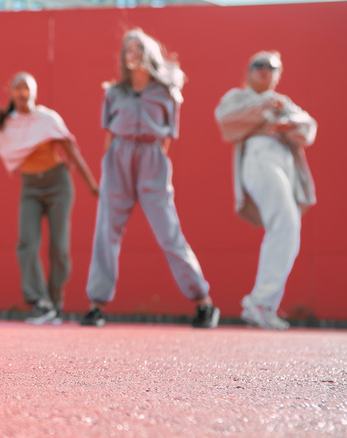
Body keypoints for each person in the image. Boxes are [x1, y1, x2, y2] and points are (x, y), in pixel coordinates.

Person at [80, 28, 219, 328]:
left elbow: (168, 137)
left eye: (139, 48)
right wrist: (109, 167)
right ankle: (96, 305)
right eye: (128, 49)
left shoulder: (167, 92)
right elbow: (109, 134)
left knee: (169, 231)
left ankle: (203, 301)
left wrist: (152, 159)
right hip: (118, 159)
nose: (133, 54)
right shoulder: (114, 93)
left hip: (152, 160)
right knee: (106, 231)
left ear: (150, 53)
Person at [0, 72, 99, 325]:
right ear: (12, 93)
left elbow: (71, 153)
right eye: (17, 88)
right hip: (31, 187)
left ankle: (55, 303)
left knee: (59, 248)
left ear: (34, 92)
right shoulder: (7, 125)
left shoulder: (47, 119)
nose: (22, 93)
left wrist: (93, 186)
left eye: (27, 88)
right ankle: (41, 302)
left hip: (58, 184)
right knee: (27, 243)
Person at [214, 51, 317, 330]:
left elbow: (308, 129)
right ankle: (260, 302)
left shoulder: (284, 102)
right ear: (248, 71)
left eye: (271, 67)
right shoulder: (239, 97)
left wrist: (287, 123)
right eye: (258, 65)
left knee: (288, 228)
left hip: (285, 161)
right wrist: (262, 111)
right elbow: (225, 120)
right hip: (260, 157)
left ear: (278, 74)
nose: (264, 70)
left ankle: (264, 303)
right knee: (284, 223)